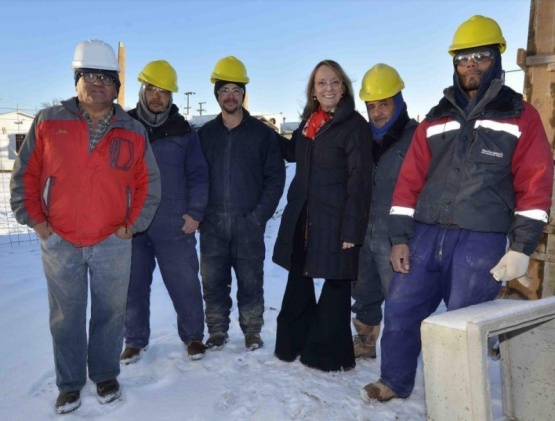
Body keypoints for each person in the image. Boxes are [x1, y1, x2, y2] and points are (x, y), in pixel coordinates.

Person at [361, 15, 553, 403]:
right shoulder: (437, 117)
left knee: (461, 325)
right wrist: (399, 238)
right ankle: (394, 381)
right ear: (454, 62)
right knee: (400, 309)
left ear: (497, 58)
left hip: (480, 239)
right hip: (425, 233)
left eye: (480, 56)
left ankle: (453, 396)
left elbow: (535, 182)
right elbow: (409, 182)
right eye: (464, 58)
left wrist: (520, 248)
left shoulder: (520, 115)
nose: (471, 65)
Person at [10, 40, 161, 414]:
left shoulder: (133, 129)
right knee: (66, 315)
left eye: (107, 79)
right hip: (60, 239)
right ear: (77, 80)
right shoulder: (50, 121)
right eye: (90, 76)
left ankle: (106, 374)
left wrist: (133, 225)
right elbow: (25, 173)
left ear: (117, 88)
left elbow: (148, 184)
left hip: (113, 239)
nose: (98, 84)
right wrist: (37, 220)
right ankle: (70, 383)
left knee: (111, 312)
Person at [273, 59, 373, 372]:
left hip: (337, 218)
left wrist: (352, 232)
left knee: (337, 287)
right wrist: (257, 130)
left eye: (334, 82)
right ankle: (294, 343)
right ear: (313, 91)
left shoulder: (354, 126)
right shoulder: (309, 123)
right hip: (305, 216)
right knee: (298, 278)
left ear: (344, 87)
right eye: (321, 83)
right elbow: (292, 153)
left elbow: (360, 182)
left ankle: (326, 355)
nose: (327, 88)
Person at [120, 60, 209, 364]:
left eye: (164, 91)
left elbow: (198, 175)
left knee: (185, 282)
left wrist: (195, 212)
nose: (157, 96)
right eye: (152, 89)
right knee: (132, 285)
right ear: (142, 90)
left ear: (171, 97)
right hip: (132, 226)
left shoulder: (184, 131)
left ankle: (194, 336)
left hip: (174, 224)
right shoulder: (125, 126)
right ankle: (134, 340)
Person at [198, 56, 285, 351]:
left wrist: (258, 217)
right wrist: (200, 214)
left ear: (243, 94)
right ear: (217, 95)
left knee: (251, 281)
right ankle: (218, 331)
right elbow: (195, 178)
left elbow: (275, 179)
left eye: (236, 89)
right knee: (213, 283)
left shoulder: (262, 135)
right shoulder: (205, 135)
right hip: (212, 225)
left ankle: (252, 331)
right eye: (224, 90)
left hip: (248, 223)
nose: (230, 96)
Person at [351, 64, 418, 359]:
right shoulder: (360, 138)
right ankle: (365, 341)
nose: (377, 113)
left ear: (399, 101)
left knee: (401, 297)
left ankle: (400, 357)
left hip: (398, 236)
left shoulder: (417, 138)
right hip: (363, 232)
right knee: (363, 291)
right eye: (371, 106)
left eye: (384, 104)